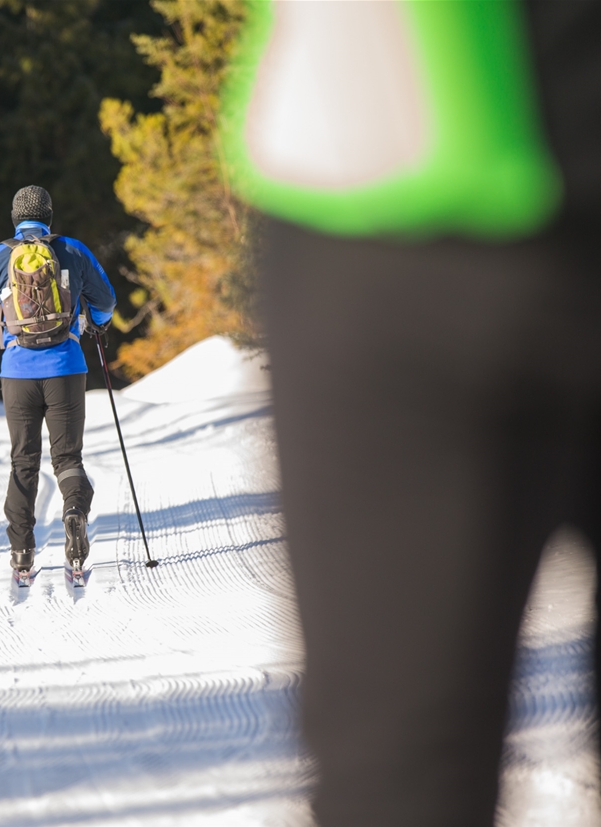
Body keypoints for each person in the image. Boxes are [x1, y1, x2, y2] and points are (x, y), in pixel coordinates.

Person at [224, 2, 601, 824]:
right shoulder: (64, 258)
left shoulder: (11, 262)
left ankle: (34, 530)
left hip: (383, 192)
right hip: (389, 206)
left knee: (399, 778)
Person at [0, 185, 116, 577]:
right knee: (67, 458)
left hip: (17, 374)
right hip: (66, 368)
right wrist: (96, 322)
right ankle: (74, 513)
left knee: (23, 463)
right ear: (49, 216)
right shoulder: (73, 250)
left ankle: (22, 553)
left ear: (15, 217)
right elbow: (106, 300)